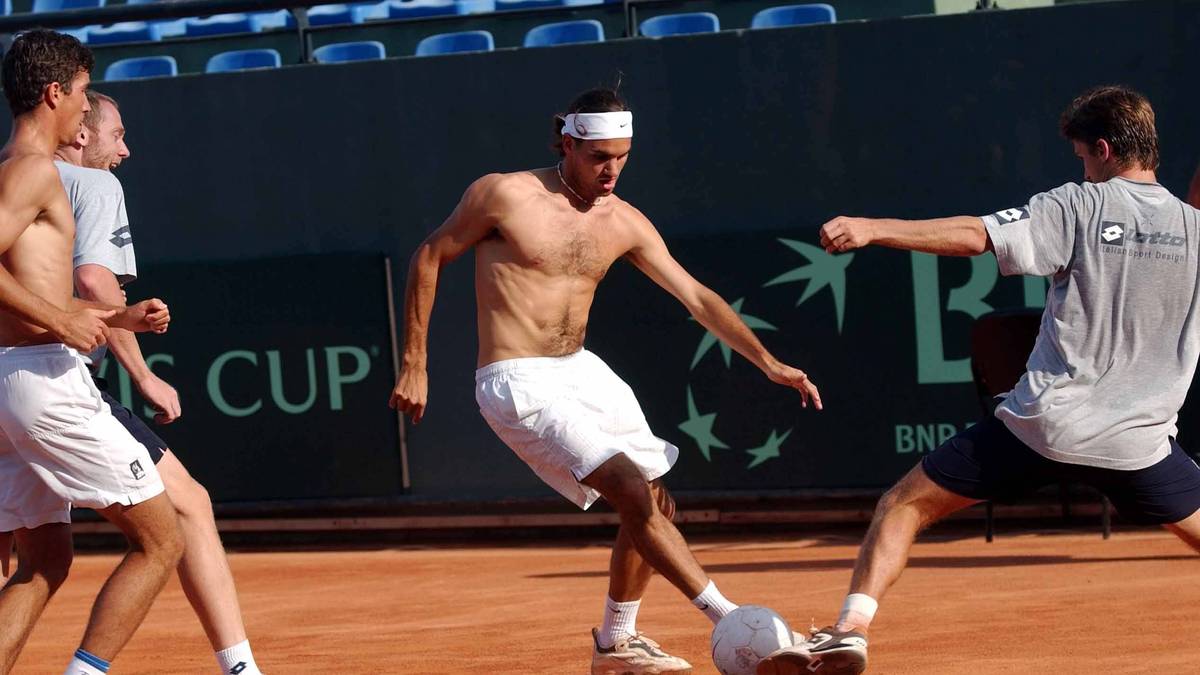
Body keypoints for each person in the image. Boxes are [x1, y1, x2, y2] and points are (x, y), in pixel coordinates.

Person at [758, 85, 1200, 675]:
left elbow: (976, 235)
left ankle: (850, 632)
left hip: (1043, 427)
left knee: (901, 505)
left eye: (1083, 158)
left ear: (1103, 149)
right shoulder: (1196, 230)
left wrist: (872, 228)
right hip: (1138, 445)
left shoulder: (1079, 203)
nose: (1083, 171)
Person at [390, 86, 823, 674]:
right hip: (517, 379)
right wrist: (415, 361)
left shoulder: (624, 221)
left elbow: (696, 297)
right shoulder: (503, 195)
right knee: (631, 489)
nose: (611, 170)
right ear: (567, 143)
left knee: (657, 501)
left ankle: (615, 644)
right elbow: (429, 255)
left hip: (582, 371)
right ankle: (732, 620)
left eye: (622, 157)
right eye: (599, 157)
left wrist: (766, 361)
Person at [52, 89, 262, 675]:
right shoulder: (93, 184)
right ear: (82, 132)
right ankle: (240, 669)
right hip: (56, 378)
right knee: (179, 518)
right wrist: (143, 374)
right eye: (118, 135)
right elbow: (96, 285)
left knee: (35, 554)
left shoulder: (12, 176)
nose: (126, 150)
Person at [0, 30, 183, 675]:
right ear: (55, 93)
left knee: (46, 559)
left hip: (10, 381)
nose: (87, 106)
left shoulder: (11, 168)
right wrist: (59, 320)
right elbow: (45, 309)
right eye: (82, 92)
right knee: (163, 539)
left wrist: (115, 317)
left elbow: (34, 291)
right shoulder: (33, 170)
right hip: (44, 383)